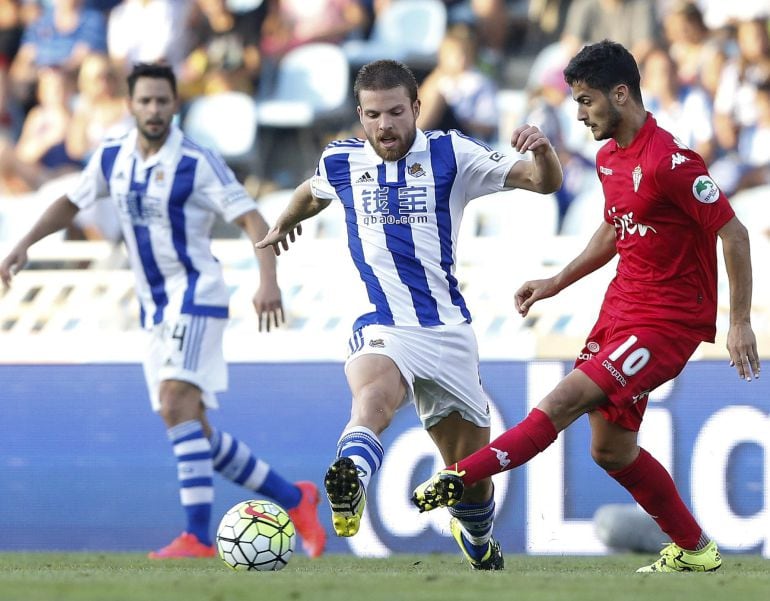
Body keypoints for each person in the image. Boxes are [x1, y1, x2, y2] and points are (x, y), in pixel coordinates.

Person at [411, 40, 760, 573]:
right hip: (621, 310)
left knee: (564, 399)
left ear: (621, 94)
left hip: (668, 322)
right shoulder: (608, 158)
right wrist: (556, 281)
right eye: (575, 101)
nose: (579, 114)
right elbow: (614, 228)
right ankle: (696, 551)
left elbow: (733, 235)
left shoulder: (672, 162)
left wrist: (738, 323)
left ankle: (462, 475)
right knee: (611, 450)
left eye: (587, 101)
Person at [0, 62, 326, 560]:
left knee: (176, 403)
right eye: (145, 101)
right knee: (194, 429)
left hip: (196, 293)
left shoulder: (198, 160)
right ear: (130, 105)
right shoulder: (112, 157)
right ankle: (294, 498)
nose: (154, 109)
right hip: (153, 307)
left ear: (176, 105)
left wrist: (268, 281)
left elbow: (251, 216)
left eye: (162, 101)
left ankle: (197, 536)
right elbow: (70, 201)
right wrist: (24, 243)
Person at [256, 58, 563, 570]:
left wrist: (546, 153)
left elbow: (541, 182)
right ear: (360, 114)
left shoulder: (451, 153)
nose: (385, 125)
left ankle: (476, 533)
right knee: (373, 397)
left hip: (447, 332)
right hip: (383, 324)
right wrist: (284, 223)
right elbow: (312, 193)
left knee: (469, 478)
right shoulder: (342, 160)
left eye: (396, 112)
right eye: (373, 115)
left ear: (417, 108)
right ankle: (351, 479)